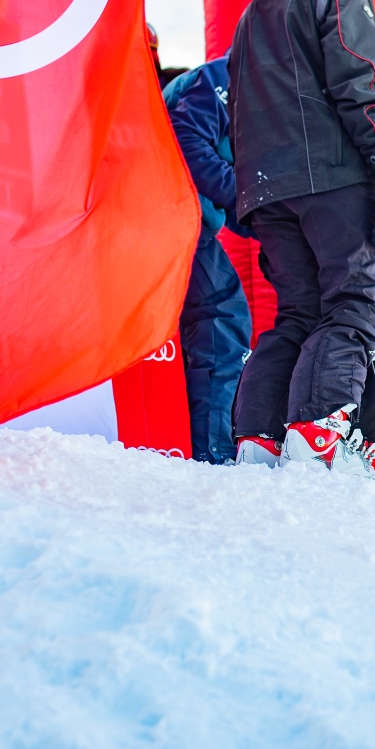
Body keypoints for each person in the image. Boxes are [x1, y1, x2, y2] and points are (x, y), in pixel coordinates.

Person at [225, 0, 375, 472]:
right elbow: (361, 84)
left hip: (266, 189)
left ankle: (258, 441)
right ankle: (318, 436)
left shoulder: (252, 10)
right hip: (333, 179)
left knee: (297, 315)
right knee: (355, 305)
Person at [162, 56, 252, 464]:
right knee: (223, 313)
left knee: (218, 318)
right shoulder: (229, 75)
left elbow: (242, 201)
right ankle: (213, 452)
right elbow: (187, 138)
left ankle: (201, 441)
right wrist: (249, 199)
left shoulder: (264, 96)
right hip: (165, 208)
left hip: (180, 213)